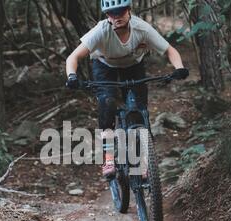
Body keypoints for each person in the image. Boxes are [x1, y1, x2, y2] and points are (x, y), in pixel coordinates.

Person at [65, 0, 189, 177]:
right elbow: (73, 57)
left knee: (139, 109)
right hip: (104, 66)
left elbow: (170, 50)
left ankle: (146, 161)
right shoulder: (101, 31)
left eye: (120, 11)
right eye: (111, 13)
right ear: (107, 15)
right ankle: (108, 157)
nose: (117, 17)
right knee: (107, 104)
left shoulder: (142, 28)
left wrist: (179, 68)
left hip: (133, 66)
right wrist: (72, 76)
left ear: (129, 10)